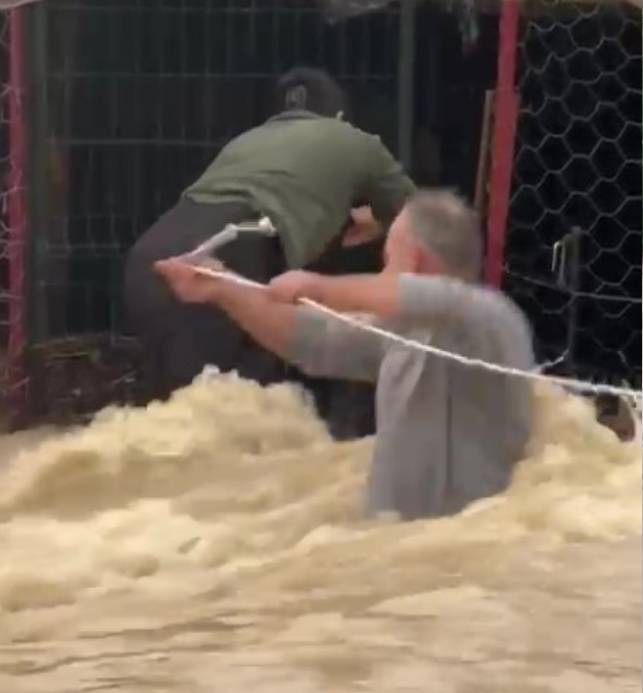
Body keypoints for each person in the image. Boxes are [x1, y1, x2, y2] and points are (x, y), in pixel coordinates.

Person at [153, 189, 536, 521]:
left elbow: (436, 297)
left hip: (468, 564)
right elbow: (311, 338)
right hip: (407, 556)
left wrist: (317, 286)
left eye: (389, 259)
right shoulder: (403, 331)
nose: (382, 270)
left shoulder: (490, 320)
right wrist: (222, 288)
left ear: (415, 260)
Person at [123, 66, 416, 405]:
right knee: (235, 411)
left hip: (152, 255)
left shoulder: (247, 140)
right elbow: (418, 220)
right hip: (226, 254)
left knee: (170, 416)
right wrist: (379, 227)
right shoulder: (356, 140)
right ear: (338, 115)